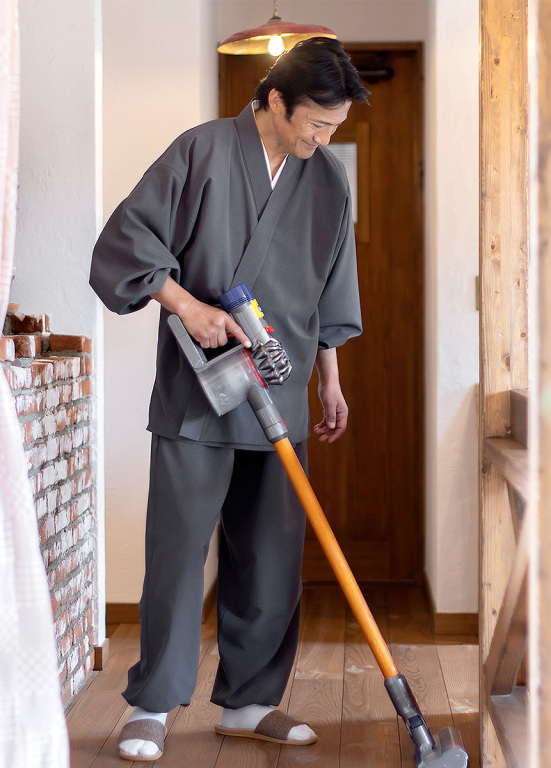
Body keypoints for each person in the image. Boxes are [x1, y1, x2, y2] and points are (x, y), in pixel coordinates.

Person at [90, 37, 369, 761]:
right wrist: (187, 306)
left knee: (272, 554)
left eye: (334, 128)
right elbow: (127, 243)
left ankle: (248, 702)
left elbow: (328, 290)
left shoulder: (329, 183)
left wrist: (330, 380)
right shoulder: (202, 151)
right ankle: (151, 707)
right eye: (315, 123)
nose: (323, 138)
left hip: (281, 390)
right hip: (198, 392)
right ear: (276, 100)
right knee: (179, 551)